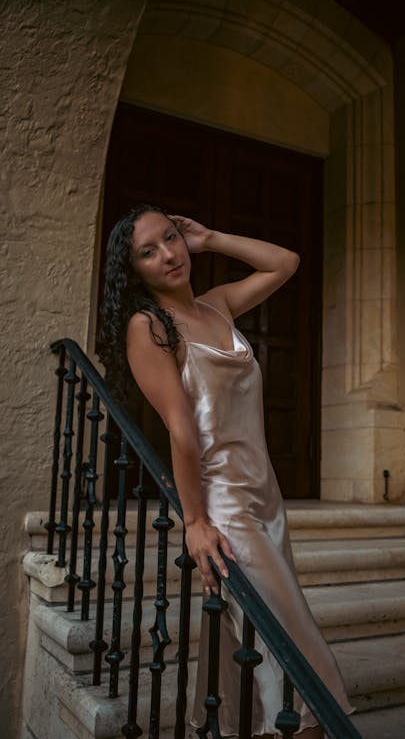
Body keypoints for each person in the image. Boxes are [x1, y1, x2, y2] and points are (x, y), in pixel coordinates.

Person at [98, 204, 354, 738]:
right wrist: (195, 521)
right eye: (149, 251)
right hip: (226, 505)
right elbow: (183, 431)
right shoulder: (148, 328)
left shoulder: (217, 307)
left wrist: (211, 237)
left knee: (247, 640)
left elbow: (284, 263)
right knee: (293, 647)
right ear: (134, 270)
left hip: (266, 496)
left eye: (170, 239)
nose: (168, 254)